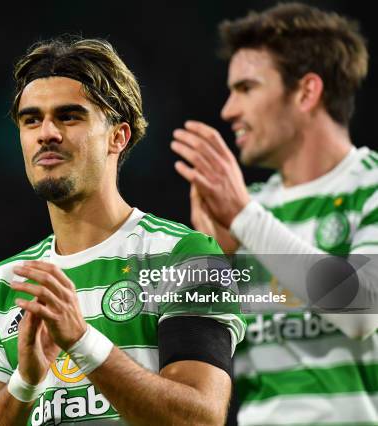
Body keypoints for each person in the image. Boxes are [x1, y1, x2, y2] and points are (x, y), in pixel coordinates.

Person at [0, 37, 246, 426]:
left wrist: (81, 341)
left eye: (69, 116)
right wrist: (24, 383)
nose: (47, 133)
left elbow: (198, 418)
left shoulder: (182, 255)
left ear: (118, 136)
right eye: (31, 120)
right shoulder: (0, 285)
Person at [170, 3, 378, 425]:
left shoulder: (370, 186)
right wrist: (220, 264)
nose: (228, 109)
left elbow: (362, 310)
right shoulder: (249, 206)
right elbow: (215, 369)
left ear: (306, 92)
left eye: (246, 88)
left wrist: (245, 219)